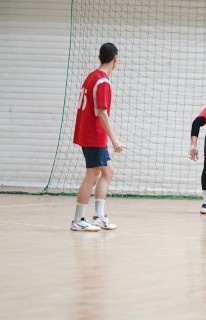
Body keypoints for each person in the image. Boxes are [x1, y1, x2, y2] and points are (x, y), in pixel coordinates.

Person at [70, 43, 124, 232]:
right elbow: (101, 112)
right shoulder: (102, 81)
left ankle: (99, 216)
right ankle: (78, 220)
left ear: (99, 57)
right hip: (93, 136)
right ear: (115, 59)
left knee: (108, 172)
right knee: (92, 175)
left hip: (92, 135)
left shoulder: (92, 77)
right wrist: (114, 140)